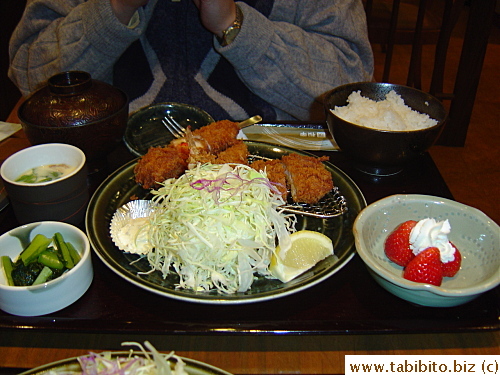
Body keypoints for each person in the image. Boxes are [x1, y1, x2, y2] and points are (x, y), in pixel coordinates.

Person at [9, 0, 374, 121]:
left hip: (272, 174)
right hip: (108, 175)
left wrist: (234, 25)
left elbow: (351, 91)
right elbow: (31, 78)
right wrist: (115, 8)